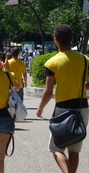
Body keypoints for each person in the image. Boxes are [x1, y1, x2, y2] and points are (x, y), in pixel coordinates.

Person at [36, 24, 89, 173]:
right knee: (74, 150)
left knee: (56, 148)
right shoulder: (84, 59)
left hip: (63, 109)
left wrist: (40, 109)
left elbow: (47, 91)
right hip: (82, 107)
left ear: (55, 40)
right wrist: (83, 86)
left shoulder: (52, 63)